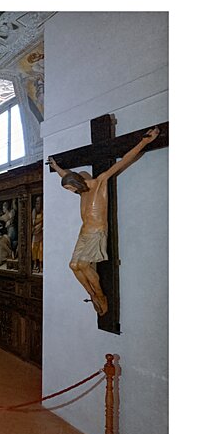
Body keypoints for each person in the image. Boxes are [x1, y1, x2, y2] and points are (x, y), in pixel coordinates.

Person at [48, 127, 160, 315]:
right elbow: (65, 174)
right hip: (84, 232)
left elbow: (123, 161)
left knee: (83, 265)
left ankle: (100, 296)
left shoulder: (100, 182)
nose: (70, 191)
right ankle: (91, 294)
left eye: (69, 188)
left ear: (77, 182)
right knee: (73, 266)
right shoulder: (81, 191)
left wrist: (144, 142)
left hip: (97, 232)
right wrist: (57, 167)